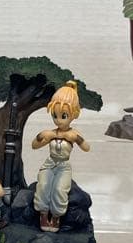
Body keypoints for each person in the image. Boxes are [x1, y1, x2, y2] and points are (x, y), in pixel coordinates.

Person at [31, 81, 90, 232]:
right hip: (50, 163)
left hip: (63, 165)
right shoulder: (52, 133)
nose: (58, 120)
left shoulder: (73, 134)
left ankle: (56, 216)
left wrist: (76, 138)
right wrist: (41, 135)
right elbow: (34, 145)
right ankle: (43, 214)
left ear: (74, 114)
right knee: (43, 185)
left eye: (63, 116)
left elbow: (86, 148)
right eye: (55, 116)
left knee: (59, 188)